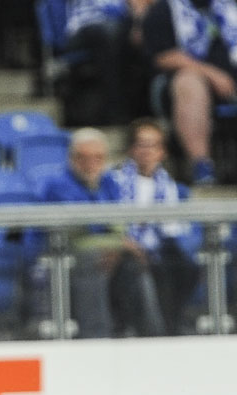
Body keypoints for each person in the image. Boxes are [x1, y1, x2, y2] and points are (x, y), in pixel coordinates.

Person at [39, 126, 164, 338]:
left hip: (109, 251)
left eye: (98, 158)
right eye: (83, 158)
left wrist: (118, 246)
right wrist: (118, 244)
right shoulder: (58, 185)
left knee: (135, 263)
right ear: (72, 159)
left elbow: (118, 225)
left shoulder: (109, 182)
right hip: (66, 254)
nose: (91, 164)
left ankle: (151, 337)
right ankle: (96, 337)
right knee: (94, 260)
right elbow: (78, 233)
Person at [112, 117, 199, 335]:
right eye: (142, 144)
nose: (147, 151)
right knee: (135, 267)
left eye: (153, 145)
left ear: (163, 151)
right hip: (126, 249)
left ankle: (174, 327)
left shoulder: (170, 186)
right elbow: (111, 223)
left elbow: (173, 228)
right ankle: (146, 331)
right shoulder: (115, 180)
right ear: (131, 149)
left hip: (161, 248)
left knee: (185, 264)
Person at [143, 0, 237, 185]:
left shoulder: (230, 6)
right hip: (182, 84)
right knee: (189, 83)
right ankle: (202, 165)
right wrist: (212, 74)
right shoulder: (164, 10)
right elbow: (163, 56)